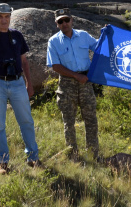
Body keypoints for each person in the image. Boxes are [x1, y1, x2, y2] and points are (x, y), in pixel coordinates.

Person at [0, 3, 40, 174]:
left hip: (17, 82)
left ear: (10, 18)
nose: (4, 20)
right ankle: (2, 162)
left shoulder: (17, 36)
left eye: (6, 16)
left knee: (26, 120)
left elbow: (25, 61)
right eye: (0, 16)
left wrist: (29, 83)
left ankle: (33, 158)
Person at [46, 8, 100, 160]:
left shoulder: (83, 35)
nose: (64, 24)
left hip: (86, 82)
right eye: (60, 21)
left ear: (72, 20)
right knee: (68, 121)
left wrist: (107, 35)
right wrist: (76, 76)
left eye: (66, 20)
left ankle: (93, 154)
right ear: (57, 24)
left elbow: (99, 49)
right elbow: (55, 66)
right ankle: (73, 155)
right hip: (67, 84)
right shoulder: (54, 41)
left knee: (90, 119)